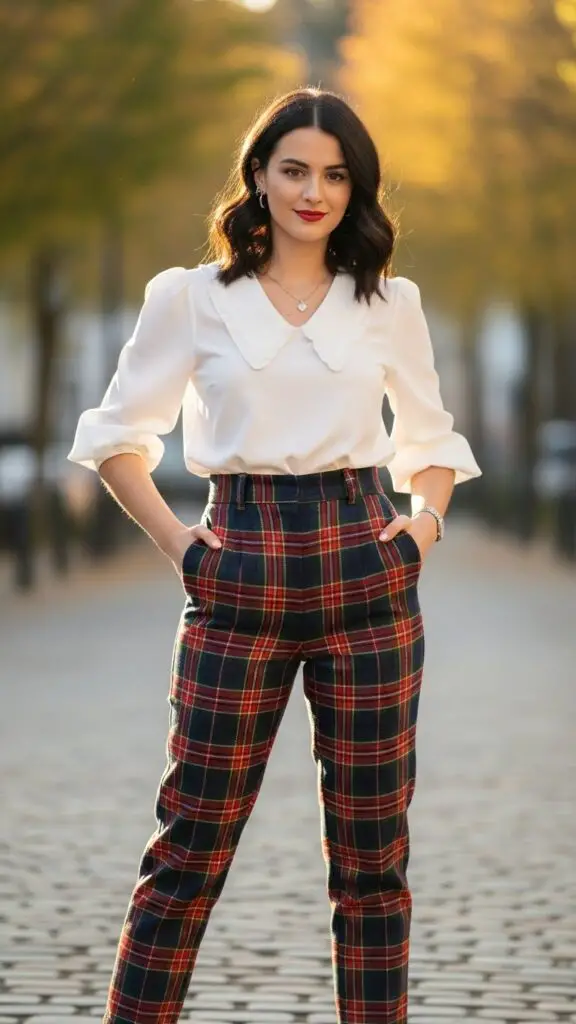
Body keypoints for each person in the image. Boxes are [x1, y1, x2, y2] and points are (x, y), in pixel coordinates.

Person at [68, 87, 482, 1024]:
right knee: (187, 850)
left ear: (356, 189)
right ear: (257, 175)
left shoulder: (389, 302)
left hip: (366, 569)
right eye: (294, 169)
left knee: (374, 863)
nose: (314, 192)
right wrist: (182, 547)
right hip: (238, 567)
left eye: (336, 176)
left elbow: (429, 438)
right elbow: (119, 436)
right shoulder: (191, 298)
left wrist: (421, 530)